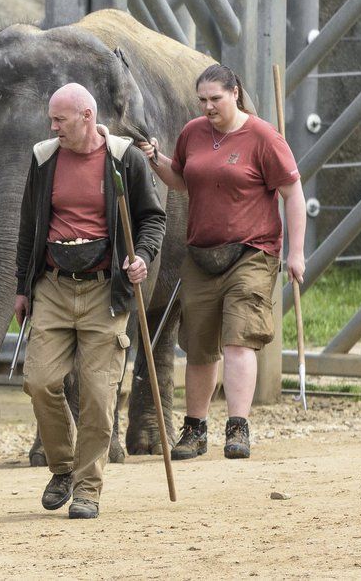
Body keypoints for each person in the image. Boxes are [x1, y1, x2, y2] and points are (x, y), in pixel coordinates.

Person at [139, 64, 305, 461]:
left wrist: (296, 252)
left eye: (215, 98)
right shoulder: (193, 132)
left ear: (235, 92)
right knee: (198, 346)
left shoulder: (264, 137)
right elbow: (180, 180)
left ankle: (238, 428)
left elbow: (293, 193)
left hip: (251, 251)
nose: (208, 106)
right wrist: (156, 160)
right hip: (201, 253)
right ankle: (195, 430)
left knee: (238, 339)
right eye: (203, 100)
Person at [15, 84, 166, 519]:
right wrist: (21, 288)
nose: (52, 126)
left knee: (98, 396)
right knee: (40, 381)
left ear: (86, 116)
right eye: (51, 119)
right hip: (54, 287)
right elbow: (29, 225)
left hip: (106, 289)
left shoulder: (124, 159)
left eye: (60, 119)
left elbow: (152, 218)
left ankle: (87, 488)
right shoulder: (44, 158)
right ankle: (62, 467)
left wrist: (142, 256)